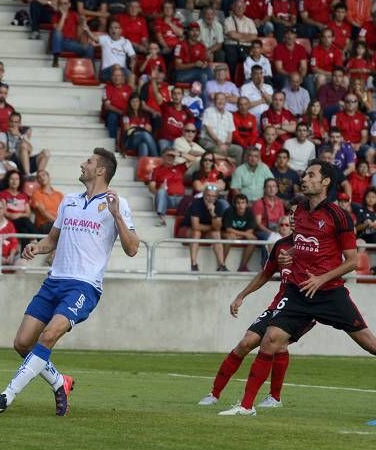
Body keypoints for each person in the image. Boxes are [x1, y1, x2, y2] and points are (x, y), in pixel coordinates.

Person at [0, 149, 138, 416]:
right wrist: (35, 248)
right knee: (22, 344)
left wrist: (117, 216)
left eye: (88, 162)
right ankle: (59, 382)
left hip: (84, 286)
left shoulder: (117, 204)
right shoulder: (69, 200)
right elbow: (52, 240)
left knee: (49, 335)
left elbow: (132, 248)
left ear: (101, 171)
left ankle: (5, 397)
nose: (82, 163)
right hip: (54, 281)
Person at [219, 161, 376, 416]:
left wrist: (321, 279)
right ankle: (247, 406)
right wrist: (287, 254)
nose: (304, 178)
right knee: (269, 340)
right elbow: (305, 244)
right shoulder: (300, 210)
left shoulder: (338, 215)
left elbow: (352, 261)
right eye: (304, 174)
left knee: (370, 344)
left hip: (330, 293)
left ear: (325, 182)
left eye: (311, 175)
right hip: (298, 293)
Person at [200, 198, 305, 407]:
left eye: (297, 214)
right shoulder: (281, 245)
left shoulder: (315, 246)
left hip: (305, 307)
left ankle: (273, 398)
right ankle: (214, 393)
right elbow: (265, 274)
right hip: (280, 305)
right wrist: (241, 295)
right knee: (246, 342)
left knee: (279, 343)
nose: (293, 219)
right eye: (289, 215)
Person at [148, 147, 187, 226]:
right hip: (168, 199)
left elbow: (194, 160)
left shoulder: (179, 168)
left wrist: (179, 154)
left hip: (181, 199)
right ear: (163, 156)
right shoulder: (157, 170)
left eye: (172, 156)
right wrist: (159, 191)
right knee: (162, 192)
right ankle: (162, 219)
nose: (170, 157)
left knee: (190, 198)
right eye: (168, 155)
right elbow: (151, 187)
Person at [30, 169, 63, 234]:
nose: (41, 178)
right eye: (39, 177)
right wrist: (58, 223)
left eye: (43, 175)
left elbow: (64, 211)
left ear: (49, 177)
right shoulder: (36, 194)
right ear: (37, 181)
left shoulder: (59, 194)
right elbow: (43, 212)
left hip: (58, 224)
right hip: (44, 224)